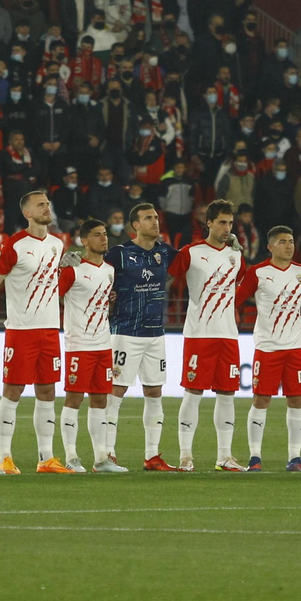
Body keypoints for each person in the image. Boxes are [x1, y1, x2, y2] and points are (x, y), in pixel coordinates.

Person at [0, 190, 70, 473]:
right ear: (27, 213)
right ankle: (5, 457)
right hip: (21, 329)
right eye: (41, 205)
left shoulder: (58, 245)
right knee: (13, 389)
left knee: (47, 390)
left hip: (49, 329)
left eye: (48, 203)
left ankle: (46, 457)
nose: (47, 208)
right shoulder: (14, 245)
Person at [236, 224, 301, 471]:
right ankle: (255, 457)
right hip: (267, 347)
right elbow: (237, 298)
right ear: (270, 247)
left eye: (291, 241)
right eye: (283, 242)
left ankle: (295, 458)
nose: (289, 246)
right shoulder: (258, 272)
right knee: (261, 399)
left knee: (297, 399)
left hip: (296, 347)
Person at [168, 198, 247, 471]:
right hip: (199, 334)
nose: (227, 228)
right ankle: (185, 456)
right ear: (209, 222)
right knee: (193, 392)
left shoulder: (236, 255)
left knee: (227, 393)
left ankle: (224, 456)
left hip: (228, 334)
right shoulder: (191, 252)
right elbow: (168, 278)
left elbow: (243, 285)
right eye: (222, 222)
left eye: (230, 223)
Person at [107, 201, 180, 470]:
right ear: (135, 225)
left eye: (156, 217)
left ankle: (152, 455)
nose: (155, 222)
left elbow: (189, 264)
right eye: (148, 218)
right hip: (125, 332)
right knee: (115, 391)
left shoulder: (165, 251)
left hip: (155, 333)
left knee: (154, 390)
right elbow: (100, 276)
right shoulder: (120, 253)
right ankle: (107, 453)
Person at [59, 219, 126, 472]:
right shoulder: (73, 269)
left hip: (102, 343)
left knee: (100, 400)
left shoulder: (109, 270)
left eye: (105, 234)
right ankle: (71, 457)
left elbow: (102, 304)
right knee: (73, 399)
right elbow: (53, 294)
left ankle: (100, 459)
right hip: (79, 343)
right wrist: (59, 267)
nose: (103, 239)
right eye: (97, 235)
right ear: (84, 241)